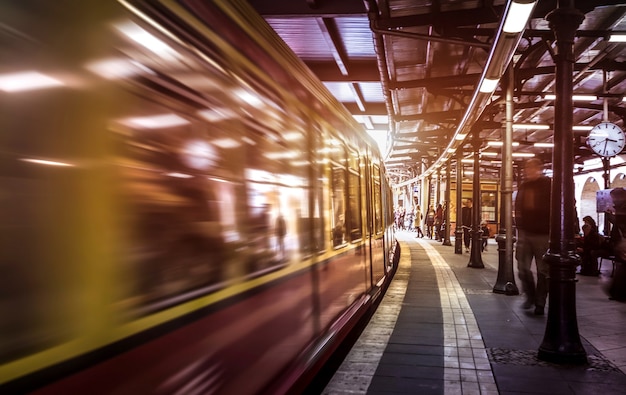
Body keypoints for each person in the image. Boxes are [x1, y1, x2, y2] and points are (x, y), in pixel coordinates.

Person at [514, 158, 551, 315]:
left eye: (532, 168)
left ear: (539, 169)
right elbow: (518, 207)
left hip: (543, 234)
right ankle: (530, 295)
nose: (529, 171)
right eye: (527, 168)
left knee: (544, 271)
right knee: (522, 267)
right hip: (525, 233)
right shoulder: (524, 186)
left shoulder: (548, 185)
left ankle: (540, 302)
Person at [605, 188, 626, 301]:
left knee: (622, 267)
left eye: (614, 197)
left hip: (623, 241)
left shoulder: (623, 207)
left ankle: (619, 293)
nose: (613, 200)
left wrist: (609, 216)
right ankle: (618, 292)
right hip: (620, 240)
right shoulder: (620, 207)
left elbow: (620, 222)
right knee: (621, 267)